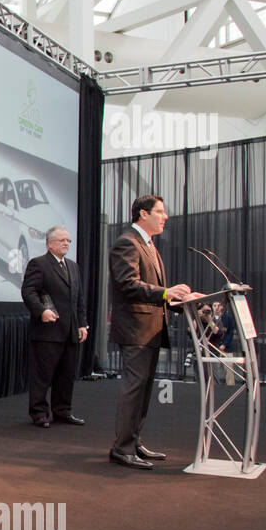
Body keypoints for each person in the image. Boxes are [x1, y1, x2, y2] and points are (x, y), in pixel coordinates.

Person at [108, 195, 195, 470]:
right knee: (134, 390)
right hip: (136, 329)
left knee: (144, 391)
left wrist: (182, 301)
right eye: (160, 211)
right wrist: (166, 293)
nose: (165, 216)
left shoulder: (149, 245)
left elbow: (153, 290)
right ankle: (122, 449)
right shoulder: (128, 242)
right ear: (142, 214)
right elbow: (127, 284)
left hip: (150, 329)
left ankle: (133, 442)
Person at [21, 226, 88, 427]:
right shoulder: (39, 264)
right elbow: (28, 291)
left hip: (70, 331)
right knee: (43, 375)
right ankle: (39, 413)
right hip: (47, 332)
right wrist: (41, 310)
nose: (66, 243)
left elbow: (78, 299)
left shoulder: (73, 266)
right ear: (50, 244)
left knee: (66, 375)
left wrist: (83, 324)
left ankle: (62, 411)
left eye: (68, 240)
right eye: (62, 240)